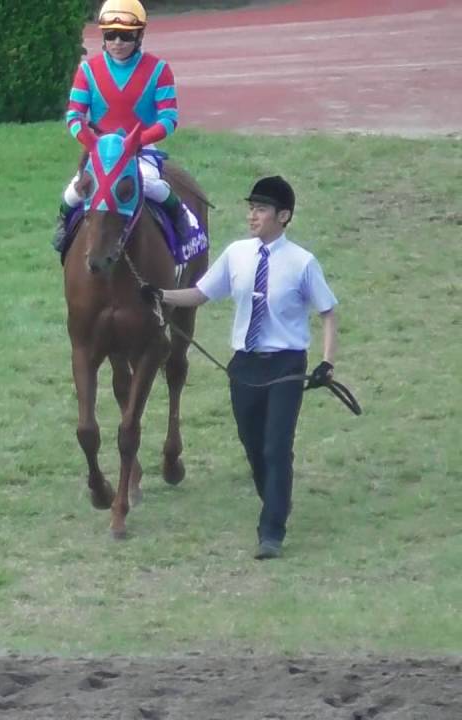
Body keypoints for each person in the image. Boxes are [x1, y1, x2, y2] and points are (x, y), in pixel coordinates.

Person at [142, 176, 339, 560]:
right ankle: (276, 498)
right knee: (253, 444)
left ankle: (272, 530)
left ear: (284, 216)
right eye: (251, 208)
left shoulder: (302, 263)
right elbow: (201, 293)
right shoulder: (236, 255)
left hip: (286, 364)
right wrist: (160, 294)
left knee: (276, 445)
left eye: (261, 209)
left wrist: (327, 362)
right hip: (244, 365)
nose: (252, 215)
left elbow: (328, 312)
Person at [52, 0, 188, 253]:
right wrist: (90, 141)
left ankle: (180, 220)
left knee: (151, 186)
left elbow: (169, 120)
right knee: (73, 192)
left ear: (139, 36)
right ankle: (64, 226)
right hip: (101, 152)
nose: (117, 42)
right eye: (110, 35)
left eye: (125, 36)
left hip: (140, 149)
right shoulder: (87, 70)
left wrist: (139, 141)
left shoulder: (159, 70)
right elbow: (74, 115)